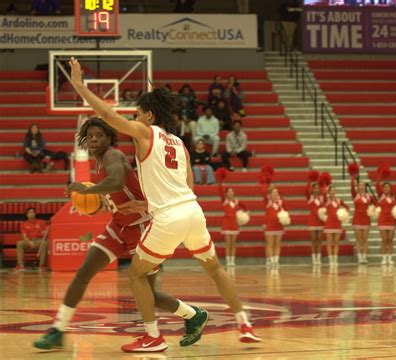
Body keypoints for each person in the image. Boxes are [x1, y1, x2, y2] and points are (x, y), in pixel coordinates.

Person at [68, 57, 261, 352]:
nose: (133, 118)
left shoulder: (145, 133)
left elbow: (107, 114)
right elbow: (187, 187)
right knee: (216, 269)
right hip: (193, 211)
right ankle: (244, 323)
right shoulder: (179, 143)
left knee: (136, 275)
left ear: (147, 115)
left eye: (136, 113)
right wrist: (146, 207)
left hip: (168, 217)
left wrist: (80, 86)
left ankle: (153, 336)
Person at [33, 117, 209, 351]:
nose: (95, 139)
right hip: (119, 225)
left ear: (109, 139)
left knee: (149, 293)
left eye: (100, 135)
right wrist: (99, 203)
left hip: (142, 227)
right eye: (91, 135)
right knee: (84, 272)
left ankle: (191, 315)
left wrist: (89, 190)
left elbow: (116, 181)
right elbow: (117, 192)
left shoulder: (113, 156)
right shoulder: (99, 162)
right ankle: (57, 330)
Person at [376, 179, 396, 265]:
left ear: (390, 188)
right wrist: (381, 175)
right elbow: (377, 184)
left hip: (392, 220)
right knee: (384, 240)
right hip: (382, 220)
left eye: (388, 187)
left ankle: (389, 258)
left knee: (390, 239)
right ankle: (383, 258)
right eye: (385, 187)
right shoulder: (380, 195)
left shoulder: (394, 197)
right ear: (383, 188)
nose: (386, 188)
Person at [218, 182, 248, 267]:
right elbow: (220, 192)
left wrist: (245, 213)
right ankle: (228, 261)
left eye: (232, 191)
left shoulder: (236, 201)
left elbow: (244, 206)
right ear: (226, 193)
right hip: (226, 224)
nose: (231, 193)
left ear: (233, 193)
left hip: (234, 224)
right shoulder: (224, 201)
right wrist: (220, 182)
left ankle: (232, 260)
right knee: (228, 243)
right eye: (229, 191)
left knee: (233, 244)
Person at [351, 177, 378, 264]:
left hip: (366, 219)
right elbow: (351, 187)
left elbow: (377, 204)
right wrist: (352, 177)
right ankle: (359, 257)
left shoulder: (369, 196)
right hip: (357, 219)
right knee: (358, 239)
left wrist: (373, 210)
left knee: (365, 239)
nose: (361, 186)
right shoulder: (355, 195)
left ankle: (364, 257)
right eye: (359, 185)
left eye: (362, 185)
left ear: (364, 187)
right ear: (357, 187)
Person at [261, 182, 287, 268]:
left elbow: (285, 211)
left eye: (277, 192)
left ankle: (276, 261)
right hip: (270, 226)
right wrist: (266, 184)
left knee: (277, 244)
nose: (276, 194)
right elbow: (264, 193)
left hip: (279, 226)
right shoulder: (268, 202)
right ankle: (271, 261)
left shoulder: (281, 202)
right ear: (270, 194)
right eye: (274, 192)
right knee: (270, 244)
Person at [323, 186, 350, 267]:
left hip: (337, 224)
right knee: (330, 242)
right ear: (329, 192)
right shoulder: (326, 201)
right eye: (331, 191)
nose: (333, 192)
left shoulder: (339, 200)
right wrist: (325, 188)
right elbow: (324, 195)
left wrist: (344, 214)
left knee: (336, 243)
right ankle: (331, 260)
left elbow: (347, 207)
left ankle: (335, 259)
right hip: (329, 223)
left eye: (334, 191)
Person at [15, 207, 47, 272]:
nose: (31, 214)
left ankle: (41, 266)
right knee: (19, 243)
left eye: (33, 212)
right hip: (28, 241)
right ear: (27, 215)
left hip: (38, 241)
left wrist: (44, 232)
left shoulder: (42, 222)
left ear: (35, 214)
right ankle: (20, 265)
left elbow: (44, 233)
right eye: (30, 212)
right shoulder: (23, 224)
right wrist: (29, 242)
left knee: (44, 243)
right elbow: (24, 236)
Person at [305, 179, 326, 266]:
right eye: (315, 188)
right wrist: (310, 181)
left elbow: (325, 191)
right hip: (313, 221)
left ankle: (318, 258)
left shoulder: (322, 198)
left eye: (318, 188)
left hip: (320, 221)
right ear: (312, 190)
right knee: (313, 240)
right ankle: (314, 258)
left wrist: (324, 183)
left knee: (319, 240)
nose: (317, 189)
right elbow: (305, 190)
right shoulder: (310, 198)